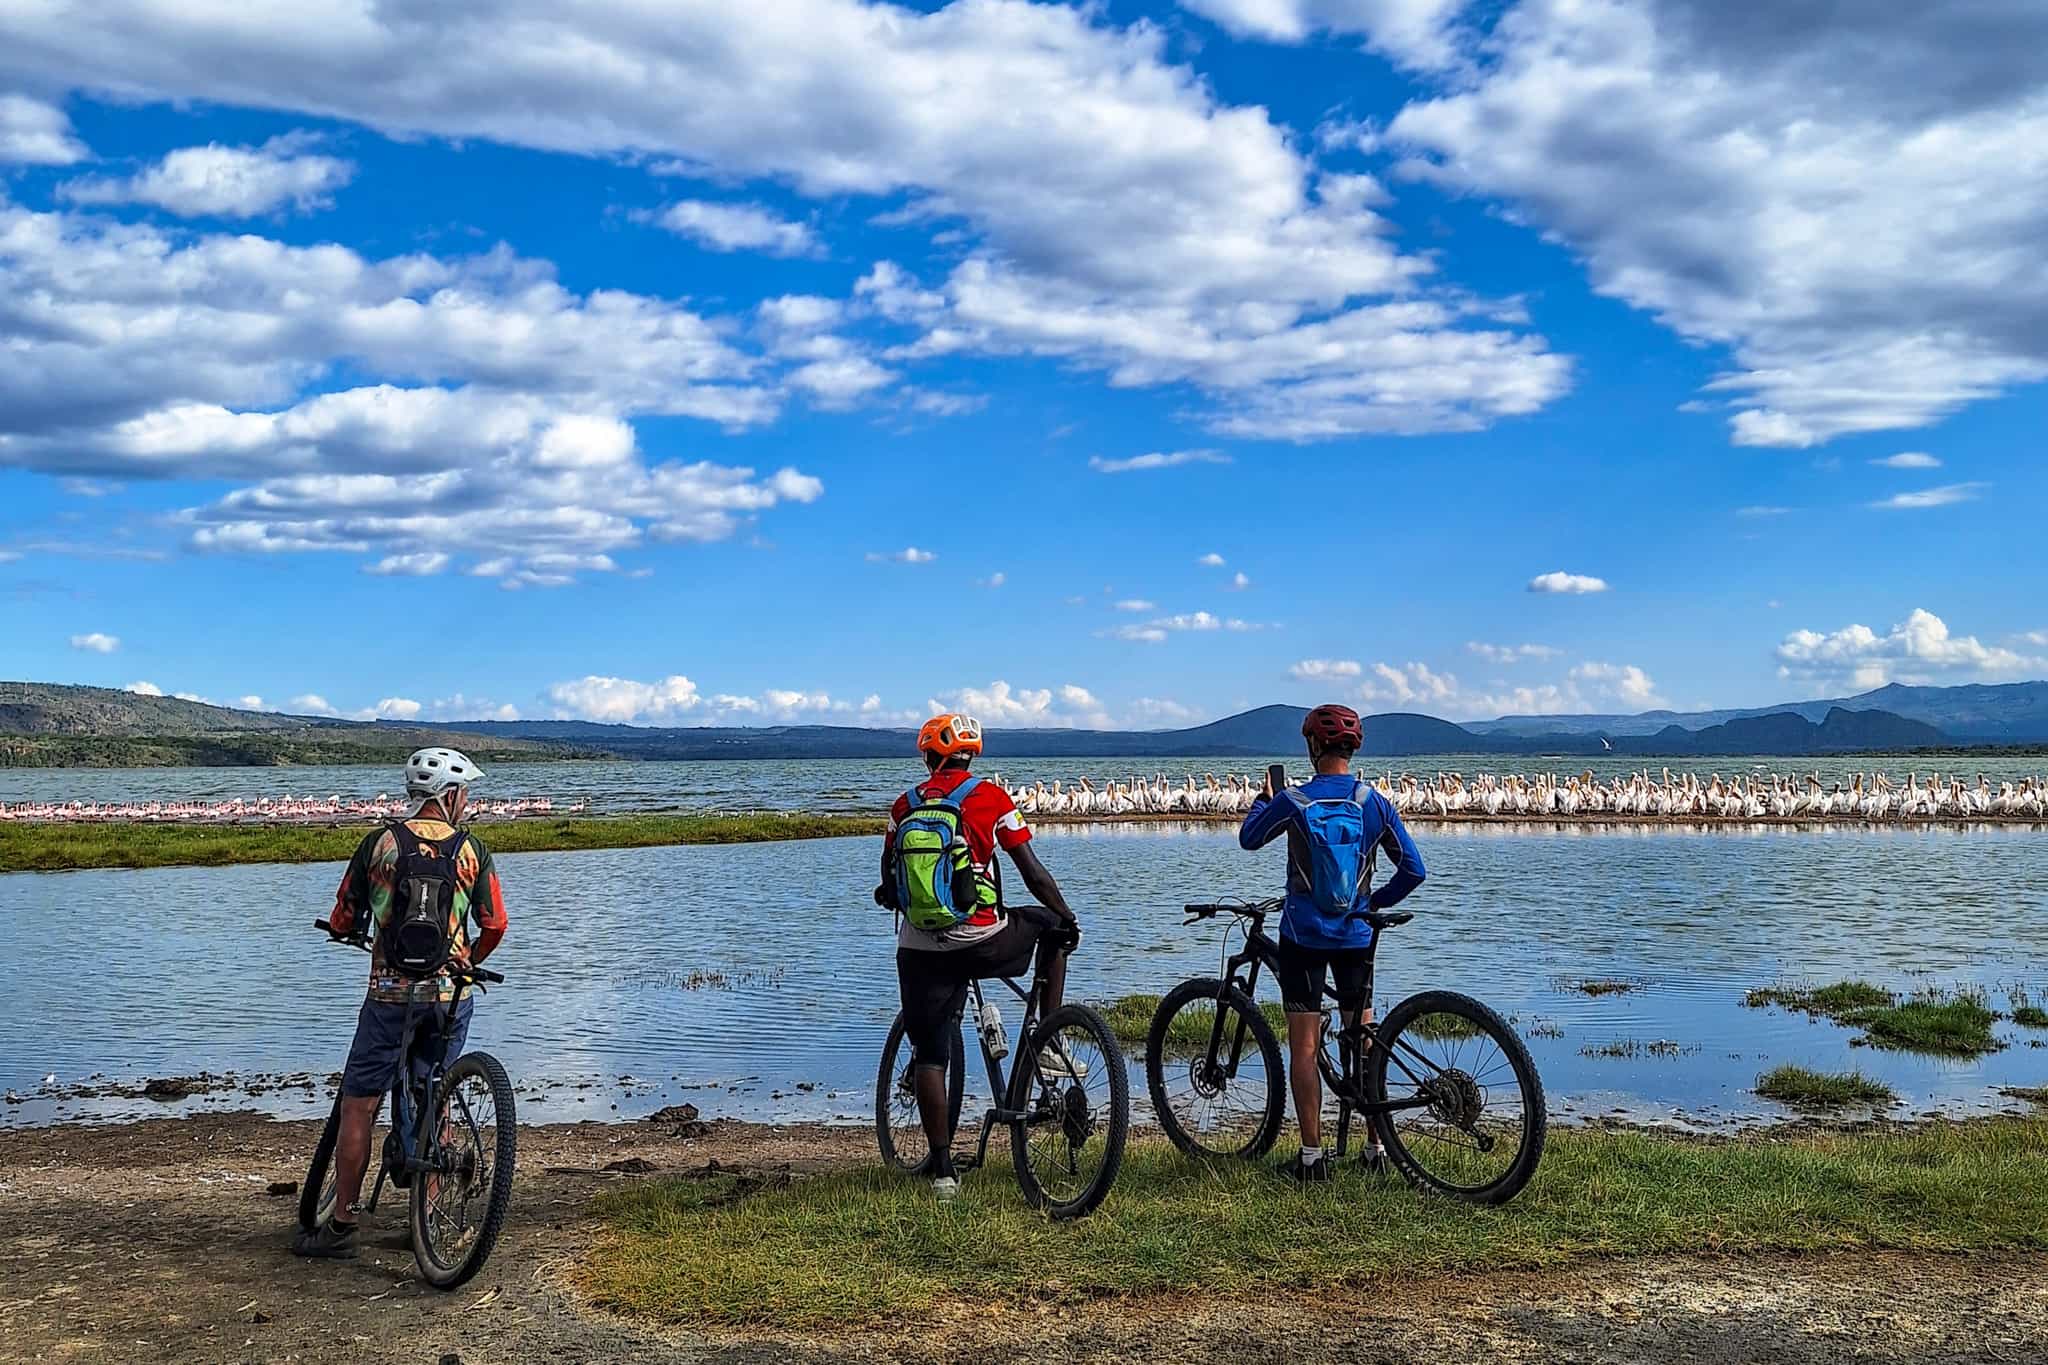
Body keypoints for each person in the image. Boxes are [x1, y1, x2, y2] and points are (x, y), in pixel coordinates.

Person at [292, 747, 508, 1258]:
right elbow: (495, 923)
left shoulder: (379, 844)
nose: (468, 802)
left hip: (390, 997)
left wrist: (351, 932)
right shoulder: (472, 850)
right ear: (451, 795)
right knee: (436, 1090)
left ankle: (341, 1224)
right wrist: (468, 958)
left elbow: (344, 916)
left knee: (359, 1103)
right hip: (451, 994)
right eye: (466, 794)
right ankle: (427, 1221)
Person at [878, 712, 1082, 1202]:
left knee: (930, 1057)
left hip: (920, 948)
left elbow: (889, 884)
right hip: (985, 939)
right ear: (972, 755)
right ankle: (1049, 1035)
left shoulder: (903, 806)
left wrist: (896, 898)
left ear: (928, 756)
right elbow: (1031, 872)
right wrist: (1067, 915)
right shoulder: (990, 798)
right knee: (1051, 930)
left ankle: (945, 1173)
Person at [1238, 704, 1426, 1183]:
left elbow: (1249, 839)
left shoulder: (1294, 801)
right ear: (1353, 747)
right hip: (1357, 935)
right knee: (1364, 1039)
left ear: (1313, 747)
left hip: (1303, 934)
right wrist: (1372, 903)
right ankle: (1375, 1146)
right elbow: (1414, 870)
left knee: (1304, 1048)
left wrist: (1265, 799)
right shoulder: (1372, 801)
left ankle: (1311, 1157)